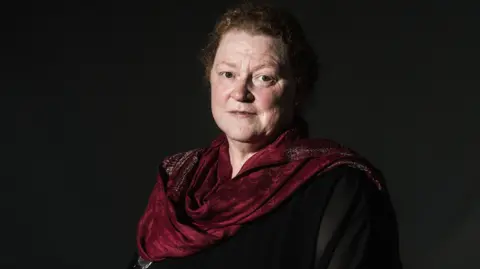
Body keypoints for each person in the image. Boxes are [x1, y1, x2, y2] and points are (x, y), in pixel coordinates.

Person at [129, 2, 402, 269]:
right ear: (210, 77)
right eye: (228, 74)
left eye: (264, 78)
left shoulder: (339, 188)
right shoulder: (179, 183)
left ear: (299, 88)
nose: (240, 93)